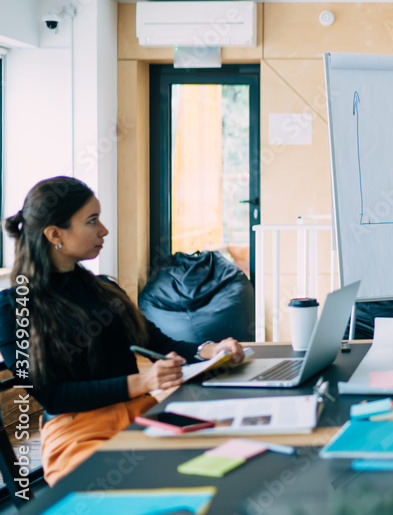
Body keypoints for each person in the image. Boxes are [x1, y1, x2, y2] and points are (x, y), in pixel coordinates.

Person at [0, 177, 246, 485]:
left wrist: (210, 350)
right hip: (79, 433)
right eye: (92, 221)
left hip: (143, 416)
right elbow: (53, 396)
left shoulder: (105, 289)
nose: (103, 230)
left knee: (227, 467)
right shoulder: (12, 309)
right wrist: (141, 381)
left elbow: (156, 342)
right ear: (54, 234)